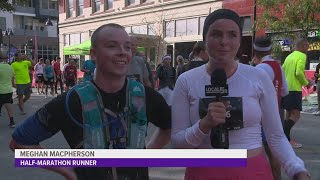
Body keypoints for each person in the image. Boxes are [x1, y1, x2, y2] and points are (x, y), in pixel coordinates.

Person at [10, 23, 171, 180]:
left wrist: (147, 154)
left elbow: (168, 126)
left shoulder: (144, 96)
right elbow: (18, 143)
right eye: (112, 46)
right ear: (93, 54)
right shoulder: (71, 100)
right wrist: (66, 170)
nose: (123, 52)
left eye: (127, 47)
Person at [171, 9, 310, 180]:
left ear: (239, 41)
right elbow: (177, 143)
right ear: (204, 39)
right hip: (203, 171)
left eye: (232, 35)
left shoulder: (258, 77)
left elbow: (275, 136)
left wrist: (296, 169)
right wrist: (203, 125)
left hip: (252, 171)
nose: (224, 41)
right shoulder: (186, 81)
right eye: (216, 34)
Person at [253, 36, 289, 180]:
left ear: (255, 50)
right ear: (270, 49)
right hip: (277, 111)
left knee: (260, 152)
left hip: (262, 114)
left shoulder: (259, 69)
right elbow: (285, 91)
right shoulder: (278, 66)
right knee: (274, 151)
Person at [282, 39, 312, 148]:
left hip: (286, 89)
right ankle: (283, 137)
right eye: (307, 47)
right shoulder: (302, 56)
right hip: (294, 89)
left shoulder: (289, 56)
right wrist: (306, 83)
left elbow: (282, 70)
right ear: (303, 46)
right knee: (296, 114)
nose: (308, 50)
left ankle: (287, 139)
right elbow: (299, 72)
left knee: (288, 114)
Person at [0, 50, 16, 128]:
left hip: (0, 90)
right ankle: (12, 122)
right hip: (9, 91)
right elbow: (13, 82)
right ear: (6, 59)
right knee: (9, 107)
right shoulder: (10, 67)